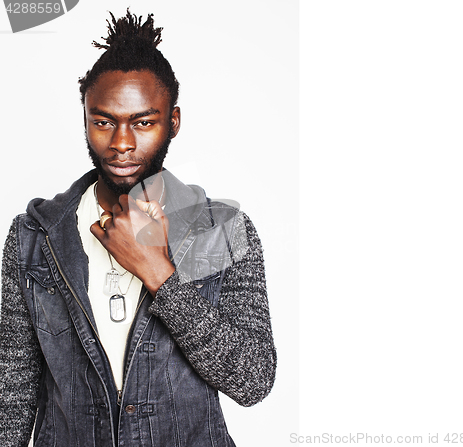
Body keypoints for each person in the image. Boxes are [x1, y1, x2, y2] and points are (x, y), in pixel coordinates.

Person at [0, 10, 276, 447]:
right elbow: (12, 392)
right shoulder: (35, 237)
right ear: (86, 120)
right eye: (104, 121)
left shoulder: (219, 229)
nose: (122, 143)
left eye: (143, 122)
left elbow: (253, 379)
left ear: (174, 121)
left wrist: (159, 275)